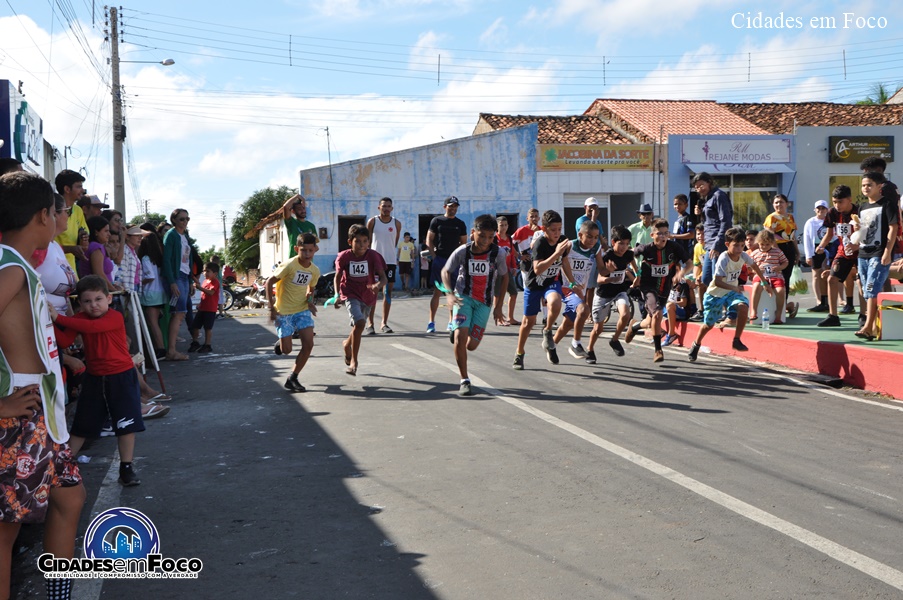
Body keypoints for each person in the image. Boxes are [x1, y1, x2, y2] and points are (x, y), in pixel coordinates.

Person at [0, 172, 84, 600]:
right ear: (42, 217)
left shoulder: (18, 264)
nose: (60, 219)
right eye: (58, 212)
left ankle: (59, 594)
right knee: (3, 533)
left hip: (43, 418)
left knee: (69, 498)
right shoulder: (8, 264)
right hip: (18, 418)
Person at [51, 275, 145, 488]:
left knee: (125, 425)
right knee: (82, 425)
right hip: (94, 378)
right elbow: (65, 340)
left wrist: (57, 317)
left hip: (121, 376)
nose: (93, 305)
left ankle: (126, 467)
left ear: (109, 299)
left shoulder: (114, 317)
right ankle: (64, 466)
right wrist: (50, 320)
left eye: (98, 299)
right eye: (87, 301)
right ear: (80, 303)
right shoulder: (80, 319)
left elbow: (94, 329)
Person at [441, 215, 508, 396]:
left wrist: (499, 306)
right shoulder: (463, 251)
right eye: (481, 236)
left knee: (471, 345)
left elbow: (504, 277)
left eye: (490, 237)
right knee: (461, 338)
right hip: (463, 297)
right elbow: (446, 271)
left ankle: (457, 332)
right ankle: (464, 379)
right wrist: (448, 293)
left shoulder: (498, 253)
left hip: (484, 303)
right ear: (473, 233)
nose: (486, 241)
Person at [688, 228, 773, 362]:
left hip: (731, 292)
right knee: (708, 325)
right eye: (736, 245)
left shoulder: (743, 255)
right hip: (715, 294)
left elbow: (755, 266)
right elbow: (717, 281)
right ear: (727, 245)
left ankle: (737, 339)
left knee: (744, 307)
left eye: (742, 245)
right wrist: (734, 287)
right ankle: (696, 343)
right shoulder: (723, 258)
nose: (740, 249)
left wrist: (764, 283)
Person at [512, 210, 581, 369]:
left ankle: (548, 331)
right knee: (528, 322)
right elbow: (537, 269)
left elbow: (564, 262)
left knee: (556, 302)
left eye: (559, 229)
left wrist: (572, 283)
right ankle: (520, 352)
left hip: (550, 282)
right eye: (553, 230)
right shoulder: (540, 244)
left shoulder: (562, 240)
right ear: (544, 229)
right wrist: (555, 253)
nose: (557, 233)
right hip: (534, 285)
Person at [628, 218, 692, 363]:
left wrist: (681, 273)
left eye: (665, 233)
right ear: (652, 235)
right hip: (648, 287)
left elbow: (689, 263)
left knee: (652, 319)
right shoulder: (646, 248)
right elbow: (629, 255)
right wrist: (636, 273)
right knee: (657, 314)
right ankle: (658, 350)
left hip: (665, 288)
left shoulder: (674, 247)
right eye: (659, 234)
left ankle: (635, 326)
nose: (663, 237)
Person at [268, 233, 320, 391]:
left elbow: (310, 289)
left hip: (302, 310)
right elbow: (269, 282)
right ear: (296, 249)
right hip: (284, 312)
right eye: (304, 250)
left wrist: (310, 302)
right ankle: (282, 342)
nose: (307, 254)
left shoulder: (314, 271)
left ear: (315, 250)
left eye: (310, 251)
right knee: (286, 350)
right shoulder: (289, 265)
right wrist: (272, 307)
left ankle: (293, 377)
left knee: (309, 344)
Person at [334, 225, 387, 375]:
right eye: (358, 241)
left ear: (369, 242)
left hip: (368, 295)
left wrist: (378, 285)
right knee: (360, 322)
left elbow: (383, 277)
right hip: (350, 293)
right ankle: (354, 362)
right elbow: (337, 276)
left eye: (365, 241)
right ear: (350, 241)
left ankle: (346, 345)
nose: (362, 245)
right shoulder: (344, 256)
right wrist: (337, 295)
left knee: (359, 326)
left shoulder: (373, 256)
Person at [855, 172, 899, 340]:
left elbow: (893, 228)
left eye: (869, 185)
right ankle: (873, 327)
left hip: (879, 252)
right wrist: (855, 240)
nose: (866, 188)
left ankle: (867, 326)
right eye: (864, 185)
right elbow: (862, 230)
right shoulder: (862, 207)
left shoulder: (887, 204)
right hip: (863, 252)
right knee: (866, 290)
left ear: (879, 186)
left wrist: (888, 251)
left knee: (872, 288)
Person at [585, 225, 635, 364]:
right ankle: (590, 349)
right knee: (598, 328)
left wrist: (636, 277)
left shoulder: (628, 254)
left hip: (619, 291)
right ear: (613, 242)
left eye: (626, 244)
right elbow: (599, 279)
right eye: (621, 244)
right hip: (604, 293)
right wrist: (610, 277)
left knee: (626, 314)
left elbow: (631, 266)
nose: (624, 247)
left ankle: (614, 339)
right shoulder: (607, 257)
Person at [553, 220, 604, 359]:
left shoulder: (596, 248)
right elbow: (563, 263)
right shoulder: (570, 245)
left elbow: (602, 269)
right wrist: (572, 282)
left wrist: (610, 270)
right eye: (589, 236)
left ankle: (551, 345)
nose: (592, 240)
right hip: (565, 287)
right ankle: (576, 344)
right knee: (584, 310)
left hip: (579, 290)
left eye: (595, 237)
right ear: (580, 235)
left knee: (569, 323)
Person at [815, 186, 861, 328]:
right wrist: (821, 246)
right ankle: (833, 316)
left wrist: (857, 245)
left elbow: (868, 234)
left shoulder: (860, 211)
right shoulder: (832, 213)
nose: (837, 205)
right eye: (834, 202)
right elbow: (829, 233)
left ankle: (864, 315)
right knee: (832, 279)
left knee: (861, 283)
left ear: (849, 200)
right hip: (843, 251)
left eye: (840, 202)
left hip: (861, 251)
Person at [426, 197, 468, 333]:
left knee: (452, 292)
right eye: (450, 206)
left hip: (454, 262)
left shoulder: (460, 224)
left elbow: (464, 243)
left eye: (455, 206)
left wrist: (459, 259)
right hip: (440, 260)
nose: (453, 209)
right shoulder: (437, 221)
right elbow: (429, 240)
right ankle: (431, 322)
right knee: (437, 292)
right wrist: (434, 256)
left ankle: (451, 322)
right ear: (445, 207)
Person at [35, 194, 78, 315]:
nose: (68, 216)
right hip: (44, 321)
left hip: (61, 322)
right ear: (54, 214)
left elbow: (65, 296)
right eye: (66, 211)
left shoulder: (56, 247)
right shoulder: (39, 248)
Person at [693, 172, 733, 292]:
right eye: (696, 187)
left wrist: (717, 244)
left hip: (717, 243)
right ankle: (719, 305)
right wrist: (700, 215)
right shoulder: (708, 198)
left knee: (718, 279)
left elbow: (726, 222)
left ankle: (727, 308)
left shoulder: (718, 195)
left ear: (709, 182)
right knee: (706, 279)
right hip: (709, 244)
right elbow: (710, 222)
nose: (699, 189)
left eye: (701, 185)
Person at [366, 197, 401, 335]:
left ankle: (384, 323)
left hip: (390, 262)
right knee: (373, 292)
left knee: (387, 292)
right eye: (384, 206)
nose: (386, 208)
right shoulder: (372, 222)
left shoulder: (397, 223)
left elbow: (394, 242)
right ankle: (370, 324)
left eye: (388, 206)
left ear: (392, 208)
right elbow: (367, 242)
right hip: (374, 261)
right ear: (379, 207)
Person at [161, 208, 192, 361]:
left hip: (185, 277)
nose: (185, 222)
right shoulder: (171, 235)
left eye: (187, 219)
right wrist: (172, 281)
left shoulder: (185, 236)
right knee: (178, 313)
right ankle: (171, 350)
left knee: (181, 312)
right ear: (174, 220)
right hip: (176, 276)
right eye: (182, 219)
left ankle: (171, 349)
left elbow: (188, 259)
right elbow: (166, 259)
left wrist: (191, 281)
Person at [763, 194, 799, 318]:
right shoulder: (772, 218)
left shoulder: (790, 217)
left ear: (787, 204)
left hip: (789, 248)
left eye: (781, 202)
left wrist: (797, 251)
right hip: (776, 249)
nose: (779, 204)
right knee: (777, 277)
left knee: (786, 278)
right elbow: (769, 236)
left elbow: (792, 235)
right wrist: (778, 251)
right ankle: (774, 306)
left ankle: (783, 307)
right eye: (776, 202)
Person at [138, 223, 167, 357]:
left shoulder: (145, 258)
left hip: (150, 293)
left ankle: (160, 348)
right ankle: (160, 347)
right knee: (155, 322)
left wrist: (139, 282)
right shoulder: (158, 259)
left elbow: (149, 276)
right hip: (159, 293)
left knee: (152, 322)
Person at [749, 229, 789, 324]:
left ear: (771, 243)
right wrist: (756, 270)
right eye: (762, 244)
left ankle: (778, 313)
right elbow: (749, 268)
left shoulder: (777, 252)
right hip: (760, 276)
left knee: (780, 291)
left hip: (775, 276)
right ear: (758, 243)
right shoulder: (754, 253)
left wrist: (779, 267)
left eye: (767, 244)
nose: (764, 247)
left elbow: (785, 262)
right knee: (756, 287)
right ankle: (754, 311)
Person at [53, 169, 89, 275]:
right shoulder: (52, 208)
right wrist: (70, 249)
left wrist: (83, 238)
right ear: (67, 189)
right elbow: (44, 246)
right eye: (78, 186)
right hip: (53, 270)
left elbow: (84, 246)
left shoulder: (77, 210)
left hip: (71, 272)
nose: (83, 190)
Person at [803, 200, 831, 312]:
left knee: (830, 273)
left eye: (823, 208)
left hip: (829, 247)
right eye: (818, 208)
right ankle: (819, 300)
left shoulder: (830, 220)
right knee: (816, 274)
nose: (821, 211)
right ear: (815, 210)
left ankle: (838, 299)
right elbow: (807, 239)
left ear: (827, 210)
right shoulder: (811, 222)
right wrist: (808, 255)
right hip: (816, 248)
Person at [188, 262, 221, 354]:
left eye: (208, 271)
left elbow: (211, 293)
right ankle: (195, 342)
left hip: (210, 309)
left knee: (208, 328)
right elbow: (204, 295)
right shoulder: (205, 281)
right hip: (202, 308)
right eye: (204, 271)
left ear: (215, 273)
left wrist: (200, 288)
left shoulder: (215, 282)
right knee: (195, 326)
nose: (205, 273)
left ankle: (207, 344)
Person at [77, 216, 118, 288]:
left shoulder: (94, 246)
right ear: (96, 232)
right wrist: (113, 290)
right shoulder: (96, 247)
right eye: (106, 231)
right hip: (97, 291)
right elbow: (99, 274)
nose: (109, 234)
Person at [494, 216, 520, 326]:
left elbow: (513, 253)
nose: (504, 227)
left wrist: (514, 266)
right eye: (501, 225)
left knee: (513, 293)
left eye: (505, 225)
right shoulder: (494, 239)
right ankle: (498, 318)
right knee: (498, 295)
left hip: (507, 270)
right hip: (497, 270)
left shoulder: (509, 238)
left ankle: (511, 317)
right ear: (497, 226)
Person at [662, 277, 692, 347]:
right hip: (671, 309)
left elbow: (683, 303)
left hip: (682, 311)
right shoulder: (668, 283)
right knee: (654, 304)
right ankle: (659, 331)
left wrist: (672, 303)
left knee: (670, 305)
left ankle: (671, 334)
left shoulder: (682, 285)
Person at [688, 224, 706, 320]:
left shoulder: (710, 246)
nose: (701, 237)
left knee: (701, 282)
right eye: (698, 234)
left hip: (713, 273)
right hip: (702, 272)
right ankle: (693, 309)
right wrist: (695, 277)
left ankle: (702, 310)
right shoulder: (697, 247)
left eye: (703, 234)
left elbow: (710, 266)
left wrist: (700, 276)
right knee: (687, 281)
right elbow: (697, 264)